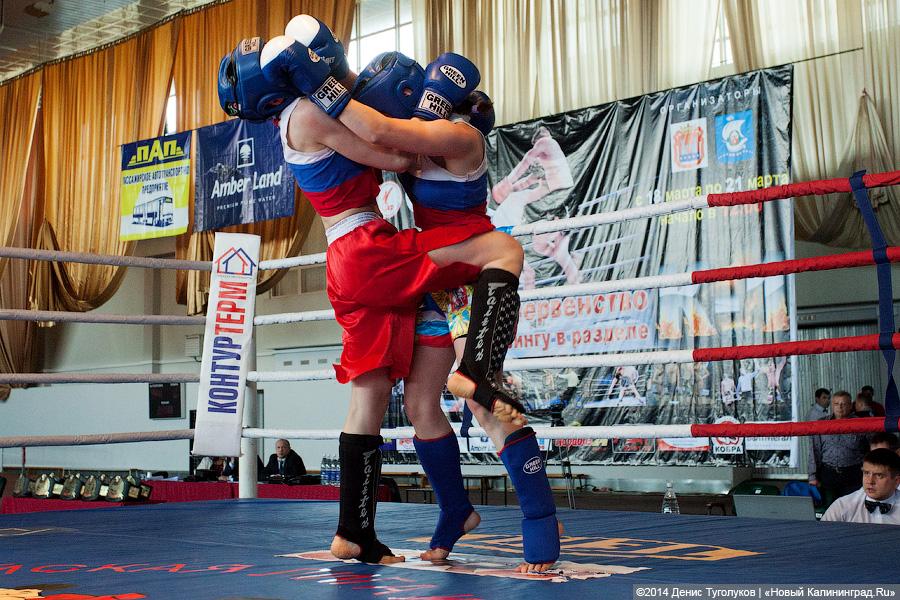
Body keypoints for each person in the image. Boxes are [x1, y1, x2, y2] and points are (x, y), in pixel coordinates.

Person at [218, 22, 523, 566]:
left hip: (349, 257)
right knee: (495, 248)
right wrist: (425, 118)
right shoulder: (309, 113)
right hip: (366, 249)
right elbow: (397, 158)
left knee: (371, 396)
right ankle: (478, 366)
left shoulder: (292, 118)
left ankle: (354, 532)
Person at [808, 391, 870, 503]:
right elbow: (814, 451)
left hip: (854, 473)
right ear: (832, 405)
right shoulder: (821, 424)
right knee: (830, 509)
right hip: (828, 473)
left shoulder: (861, 424)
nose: (840, 407)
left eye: (844, 404)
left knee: (854, 507)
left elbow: (869, 450)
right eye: (836, 404)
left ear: (850, 406)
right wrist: (812, 476)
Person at [821, 449, 900, 524]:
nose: (870, 481)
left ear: (896, 481)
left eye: (879, 475)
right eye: (866, 473)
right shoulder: (842, 506)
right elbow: (822, 533)